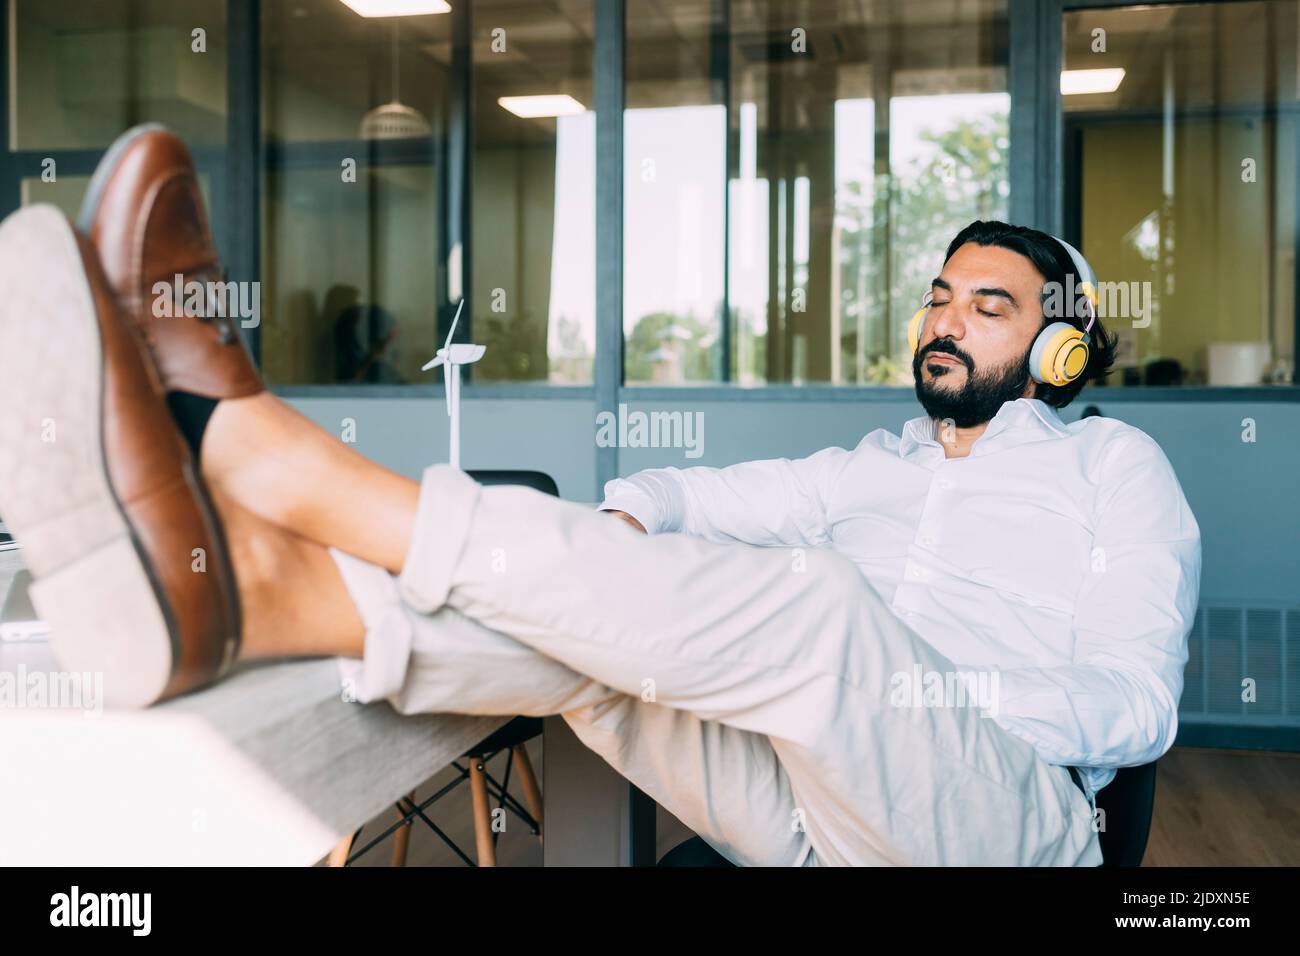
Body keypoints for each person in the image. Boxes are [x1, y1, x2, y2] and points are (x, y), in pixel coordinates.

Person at [0, 125, 1200, 867]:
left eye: (988, 305)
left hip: (1005, 826)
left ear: (1061, 347)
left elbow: (1136, 704)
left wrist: (913, 692)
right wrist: (621, 543)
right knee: (593, 646)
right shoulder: (864, 469)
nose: (946, 317)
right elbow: (676, 493)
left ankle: (272, 466)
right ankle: (263, 598)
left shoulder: (1113, 469)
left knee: (820, 611)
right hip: (802, 820)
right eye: (940, 294)